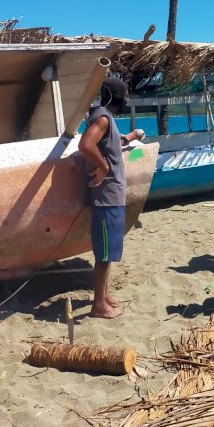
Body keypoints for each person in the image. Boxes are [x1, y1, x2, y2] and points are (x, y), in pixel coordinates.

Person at [78, 77, 129, 319]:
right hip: (107, 197)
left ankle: (104, 294)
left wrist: (128, 138)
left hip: (113, 196)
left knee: (109, 252)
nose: (126, 99)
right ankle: (98, 304)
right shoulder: (102, 118)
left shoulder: (105, 118)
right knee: (104, 254)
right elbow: (86, 144)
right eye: (124, 94)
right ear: (115, 95)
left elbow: (107, 145)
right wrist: (104, 167)